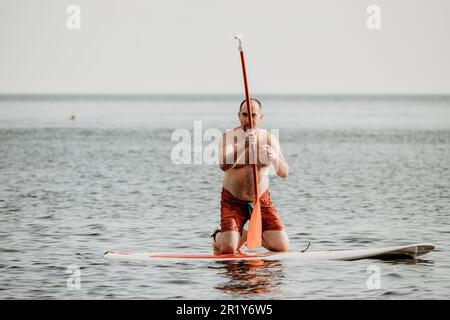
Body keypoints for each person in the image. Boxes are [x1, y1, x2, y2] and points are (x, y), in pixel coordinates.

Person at [212, 98, 290, 254]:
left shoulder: (269, 139)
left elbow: (284, 173)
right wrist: (244, 146)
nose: (249, 119)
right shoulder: (228, 138)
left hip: (261, 200)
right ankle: (217, 237)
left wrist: (274, 156)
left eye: (253, 115)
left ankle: (248, 235)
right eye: (245, 115)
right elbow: (223, 165)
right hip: (233, 201)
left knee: (282, 247)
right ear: (239, 116)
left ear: (260, 117)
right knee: (228, 249)